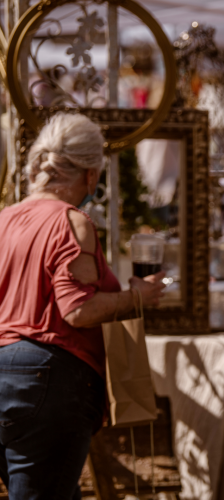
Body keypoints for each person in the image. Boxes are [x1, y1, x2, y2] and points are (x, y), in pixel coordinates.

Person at [0, 113, 165, 499]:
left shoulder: (5, 219)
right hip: (48, 379)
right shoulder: (72, 223)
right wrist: (137, 297)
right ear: (91, 175)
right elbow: (77, 310)